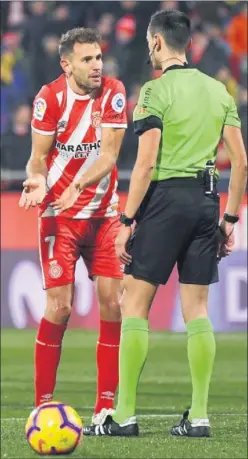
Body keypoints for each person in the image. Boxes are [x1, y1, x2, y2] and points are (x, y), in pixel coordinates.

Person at [83, 9, 247, 437]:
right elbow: (242, 162)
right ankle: (198, 417)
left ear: (156, 42)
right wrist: (229, 217)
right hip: (207, 201)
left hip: (166, 200)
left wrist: (126, 219)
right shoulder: (220, 92)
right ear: (187, 44)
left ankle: (124, 416)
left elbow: (146, 163)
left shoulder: (154, 93)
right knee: (197, 311)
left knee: (133, 304)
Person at [19, 27, 128, 426]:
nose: (97, 65)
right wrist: (36, 179)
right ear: (66, 64)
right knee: (60, 307)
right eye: (87, 59)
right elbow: (37, 157)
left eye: (98, 57)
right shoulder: (49, 98)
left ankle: (105, 406)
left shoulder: (113, 91)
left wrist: (80, 184)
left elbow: (110, 154)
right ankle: (43, 403)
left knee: (114, 305)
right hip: (59, 216)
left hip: (102, 216)